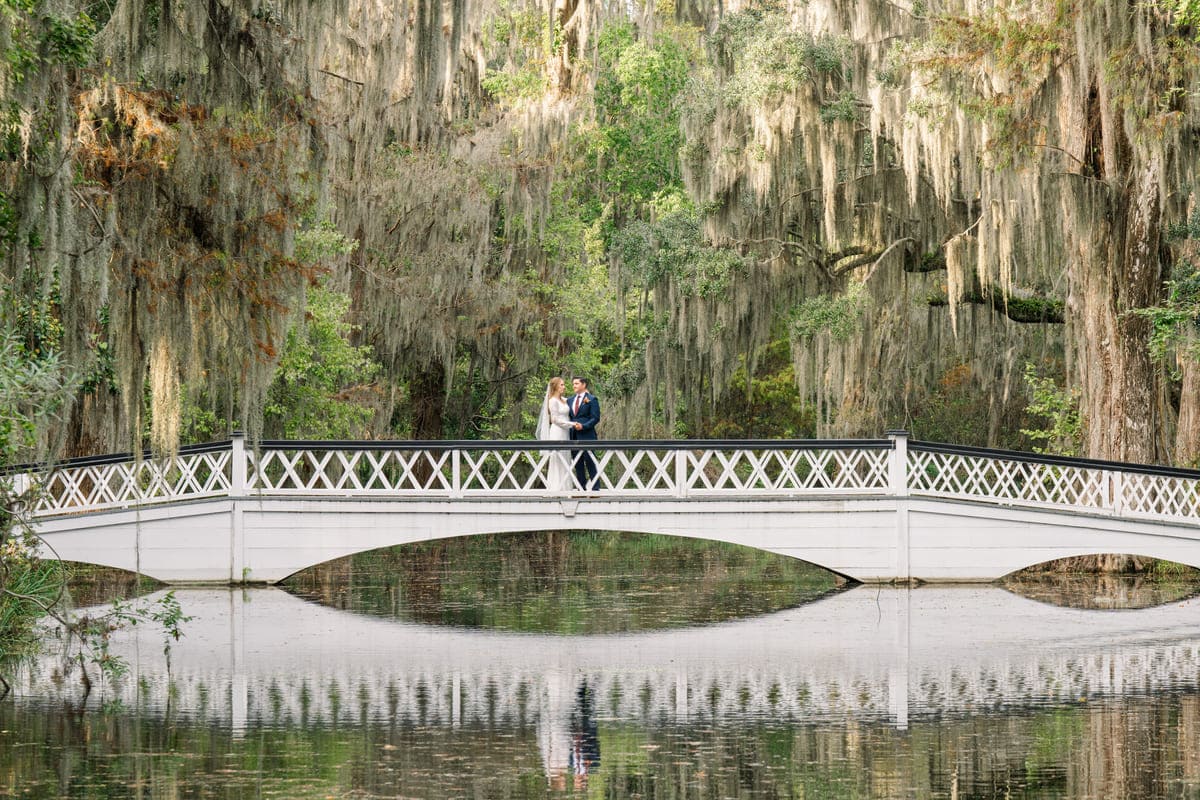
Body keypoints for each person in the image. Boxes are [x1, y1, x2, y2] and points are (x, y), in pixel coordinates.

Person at [536, 377, 573, 491]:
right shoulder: (552, 401)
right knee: (557, 458)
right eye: (562, 385)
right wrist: (571, 424)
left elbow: (575, 401)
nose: (564, 387)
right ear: (555, 386)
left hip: (565, 432)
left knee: (566, 458)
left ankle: (566, 488)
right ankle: (556, 488)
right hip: (557, 431)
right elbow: (554, 419)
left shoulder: (564, 400)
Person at [567, 376, 600, 491]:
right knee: (578, 463)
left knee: (590, 462)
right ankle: (581, 489)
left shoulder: (592, 399)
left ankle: (595, 489)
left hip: (588, 436)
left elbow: (595, 418)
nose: (574, 386)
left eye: (576, 383)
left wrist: (583, 426)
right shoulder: (570, 400)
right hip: (573, 436)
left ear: (584, 384)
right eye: (573, 384)